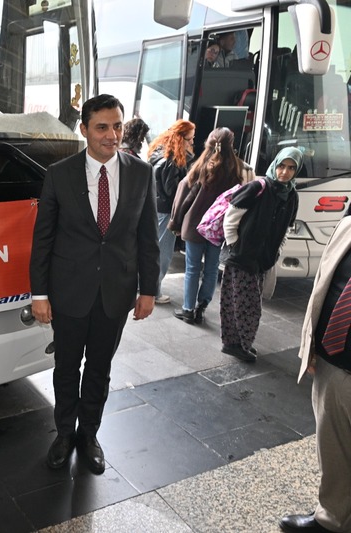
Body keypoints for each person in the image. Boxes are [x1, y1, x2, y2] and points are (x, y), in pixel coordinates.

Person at [30, 94, 159, 474]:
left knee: (99, 369)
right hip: (68, 292)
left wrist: (148, 290)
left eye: (117, 126)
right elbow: (43, 239)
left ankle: (89, 435)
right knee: (66, 368)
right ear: (84, 129)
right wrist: (39, 294)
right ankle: (63, 434)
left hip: (116, 294)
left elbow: (147, 238)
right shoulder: (60, 174)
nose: (112, 135)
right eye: (102, 127)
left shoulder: (141, 173)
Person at [279, 207, 351, 533]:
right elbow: (328, 278)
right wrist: (312, 343)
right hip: (334, 358)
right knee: (334, 446)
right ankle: (332, 517)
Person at [220, 147, 302, 362]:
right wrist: (236, 244)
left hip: (263, 259)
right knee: (247, 306)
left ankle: (237, 344)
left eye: (291, 168)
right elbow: (231, 216)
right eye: (282, 166)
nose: (284, 172)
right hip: (242, 257)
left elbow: (286, 228)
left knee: (241, 302)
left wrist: (277, 250)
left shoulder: (291, 195)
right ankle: (239, 344)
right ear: (275, 165)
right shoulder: (259, 187)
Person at [168, 127, 251, 325]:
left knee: (192, 268)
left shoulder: (200, 167)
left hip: (194, 226)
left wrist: (176, 222)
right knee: (212, 268)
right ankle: (201, 307)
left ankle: (188, 309)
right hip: (217, 229)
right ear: (231, 145)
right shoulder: (236, 171)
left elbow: (185, 198)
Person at [147, 119, 196, 304]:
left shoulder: (159, 152)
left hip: (155, 207)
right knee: (163, 254)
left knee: (153, 250)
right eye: (190, 139)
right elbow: (173, 191)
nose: (192, 142)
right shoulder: (173, 160)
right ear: (180, 138)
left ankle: (146, 287)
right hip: (167, 211)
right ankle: (153, 291)